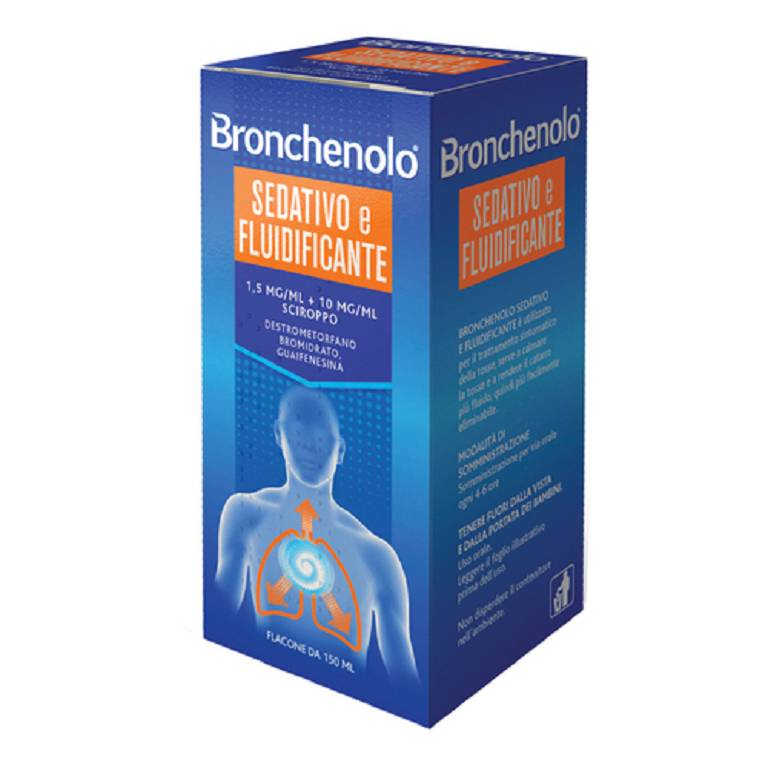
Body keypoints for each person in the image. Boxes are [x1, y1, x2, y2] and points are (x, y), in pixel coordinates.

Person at [215, 385, 419, 689]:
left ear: (341, 450)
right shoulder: (246, 513)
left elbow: (406, 684)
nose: (310, 447)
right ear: (278, 434)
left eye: (322, 437)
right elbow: (220, 617)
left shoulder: (377, 557)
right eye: (299, 431)